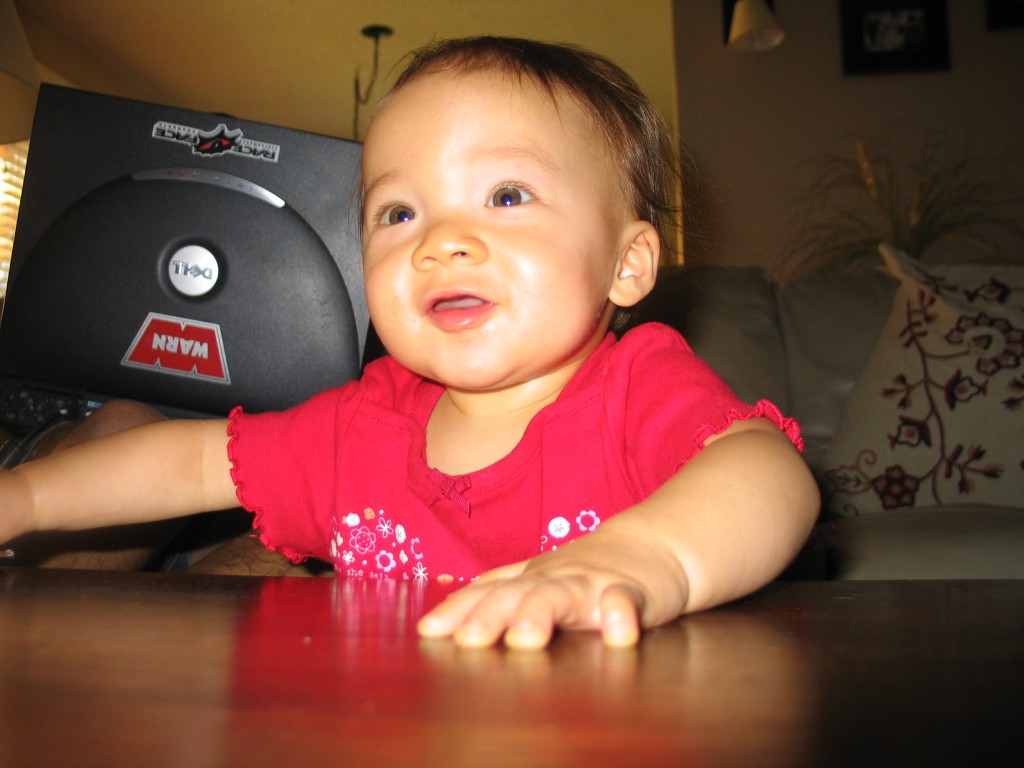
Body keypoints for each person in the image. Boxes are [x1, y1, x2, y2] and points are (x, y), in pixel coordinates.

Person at [0, 36, 819, 649]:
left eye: (506, 195)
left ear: (627, 264)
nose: (441, 242)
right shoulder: (363, 424)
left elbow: (766, 470)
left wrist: (643, 560)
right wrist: (28, 499)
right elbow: (191, 462)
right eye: (399, 213)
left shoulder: (636, 386)